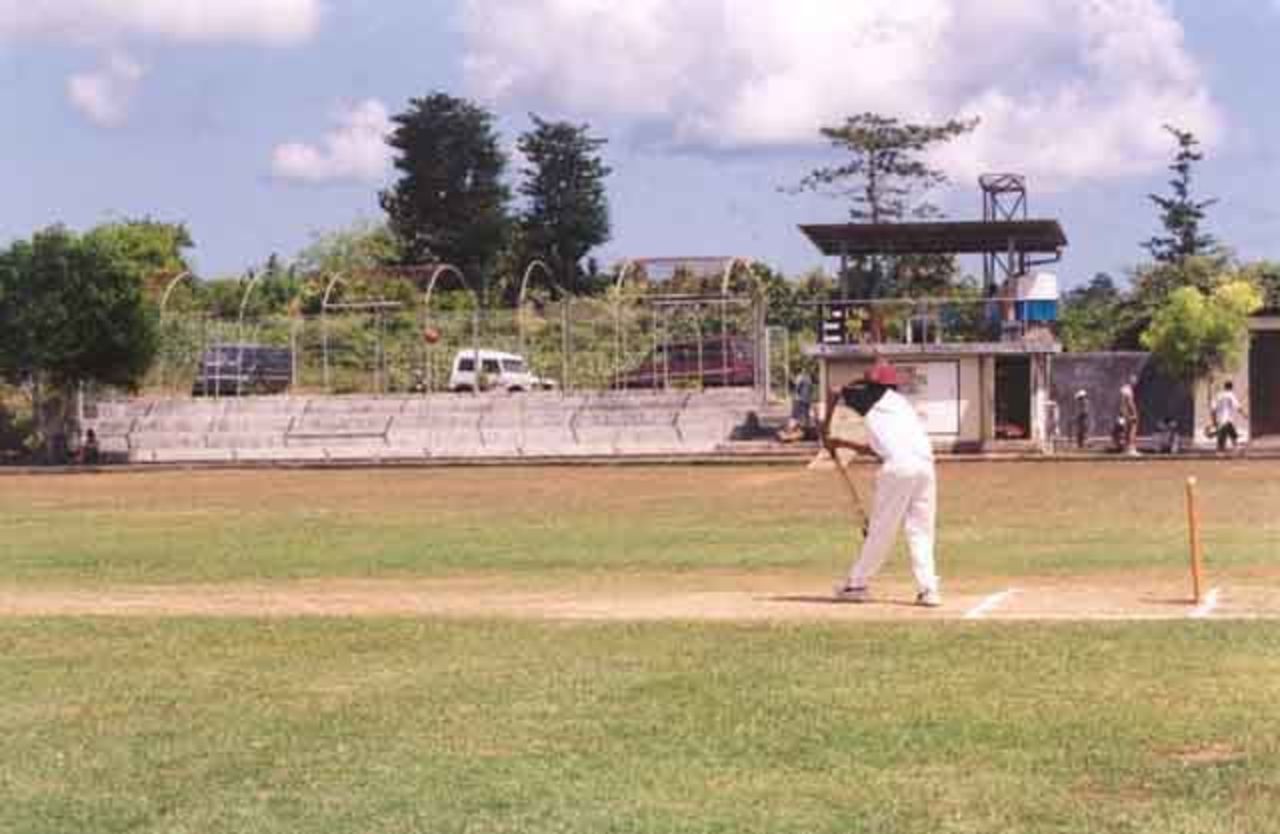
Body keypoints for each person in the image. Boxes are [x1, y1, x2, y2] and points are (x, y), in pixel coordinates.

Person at [824, 361, 942, 608]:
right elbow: (880, 449)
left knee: (880, 531)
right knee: (921, 531)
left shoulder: (869, 395)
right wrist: (841, 443)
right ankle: (928, 589)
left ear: (872, 383)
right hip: (925, 467)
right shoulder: (900, 405)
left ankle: (857, 585)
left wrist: (826, 429)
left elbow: (834, 390)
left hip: (899, 467)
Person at [1211, 381, 1246, 453]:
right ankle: (1225, 450)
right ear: (1231, 387)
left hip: (1220, 420)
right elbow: (1238, 406)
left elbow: (1213, 409)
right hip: (1227, 419)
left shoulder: (1218, 395)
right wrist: (1244, 414)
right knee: (1225, 435)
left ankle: (1234, 448)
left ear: (1224, 387)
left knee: (1229, 434)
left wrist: (1214, 420)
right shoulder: (1231, 395)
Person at [1119, 377, 1140, 456]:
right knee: (1132, 429)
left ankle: (1126, 449)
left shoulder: (1123, 389)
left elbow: (1122, 403)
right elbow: (1130, 402)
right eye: (1134, 381)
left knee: (1126, 431)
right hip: (1128, 413)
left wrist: (1122, 413)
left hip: (1123, 413)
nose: (1135, 383)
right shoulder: (1129, 390)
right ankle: (1131, 449)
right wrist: (1134, 413)